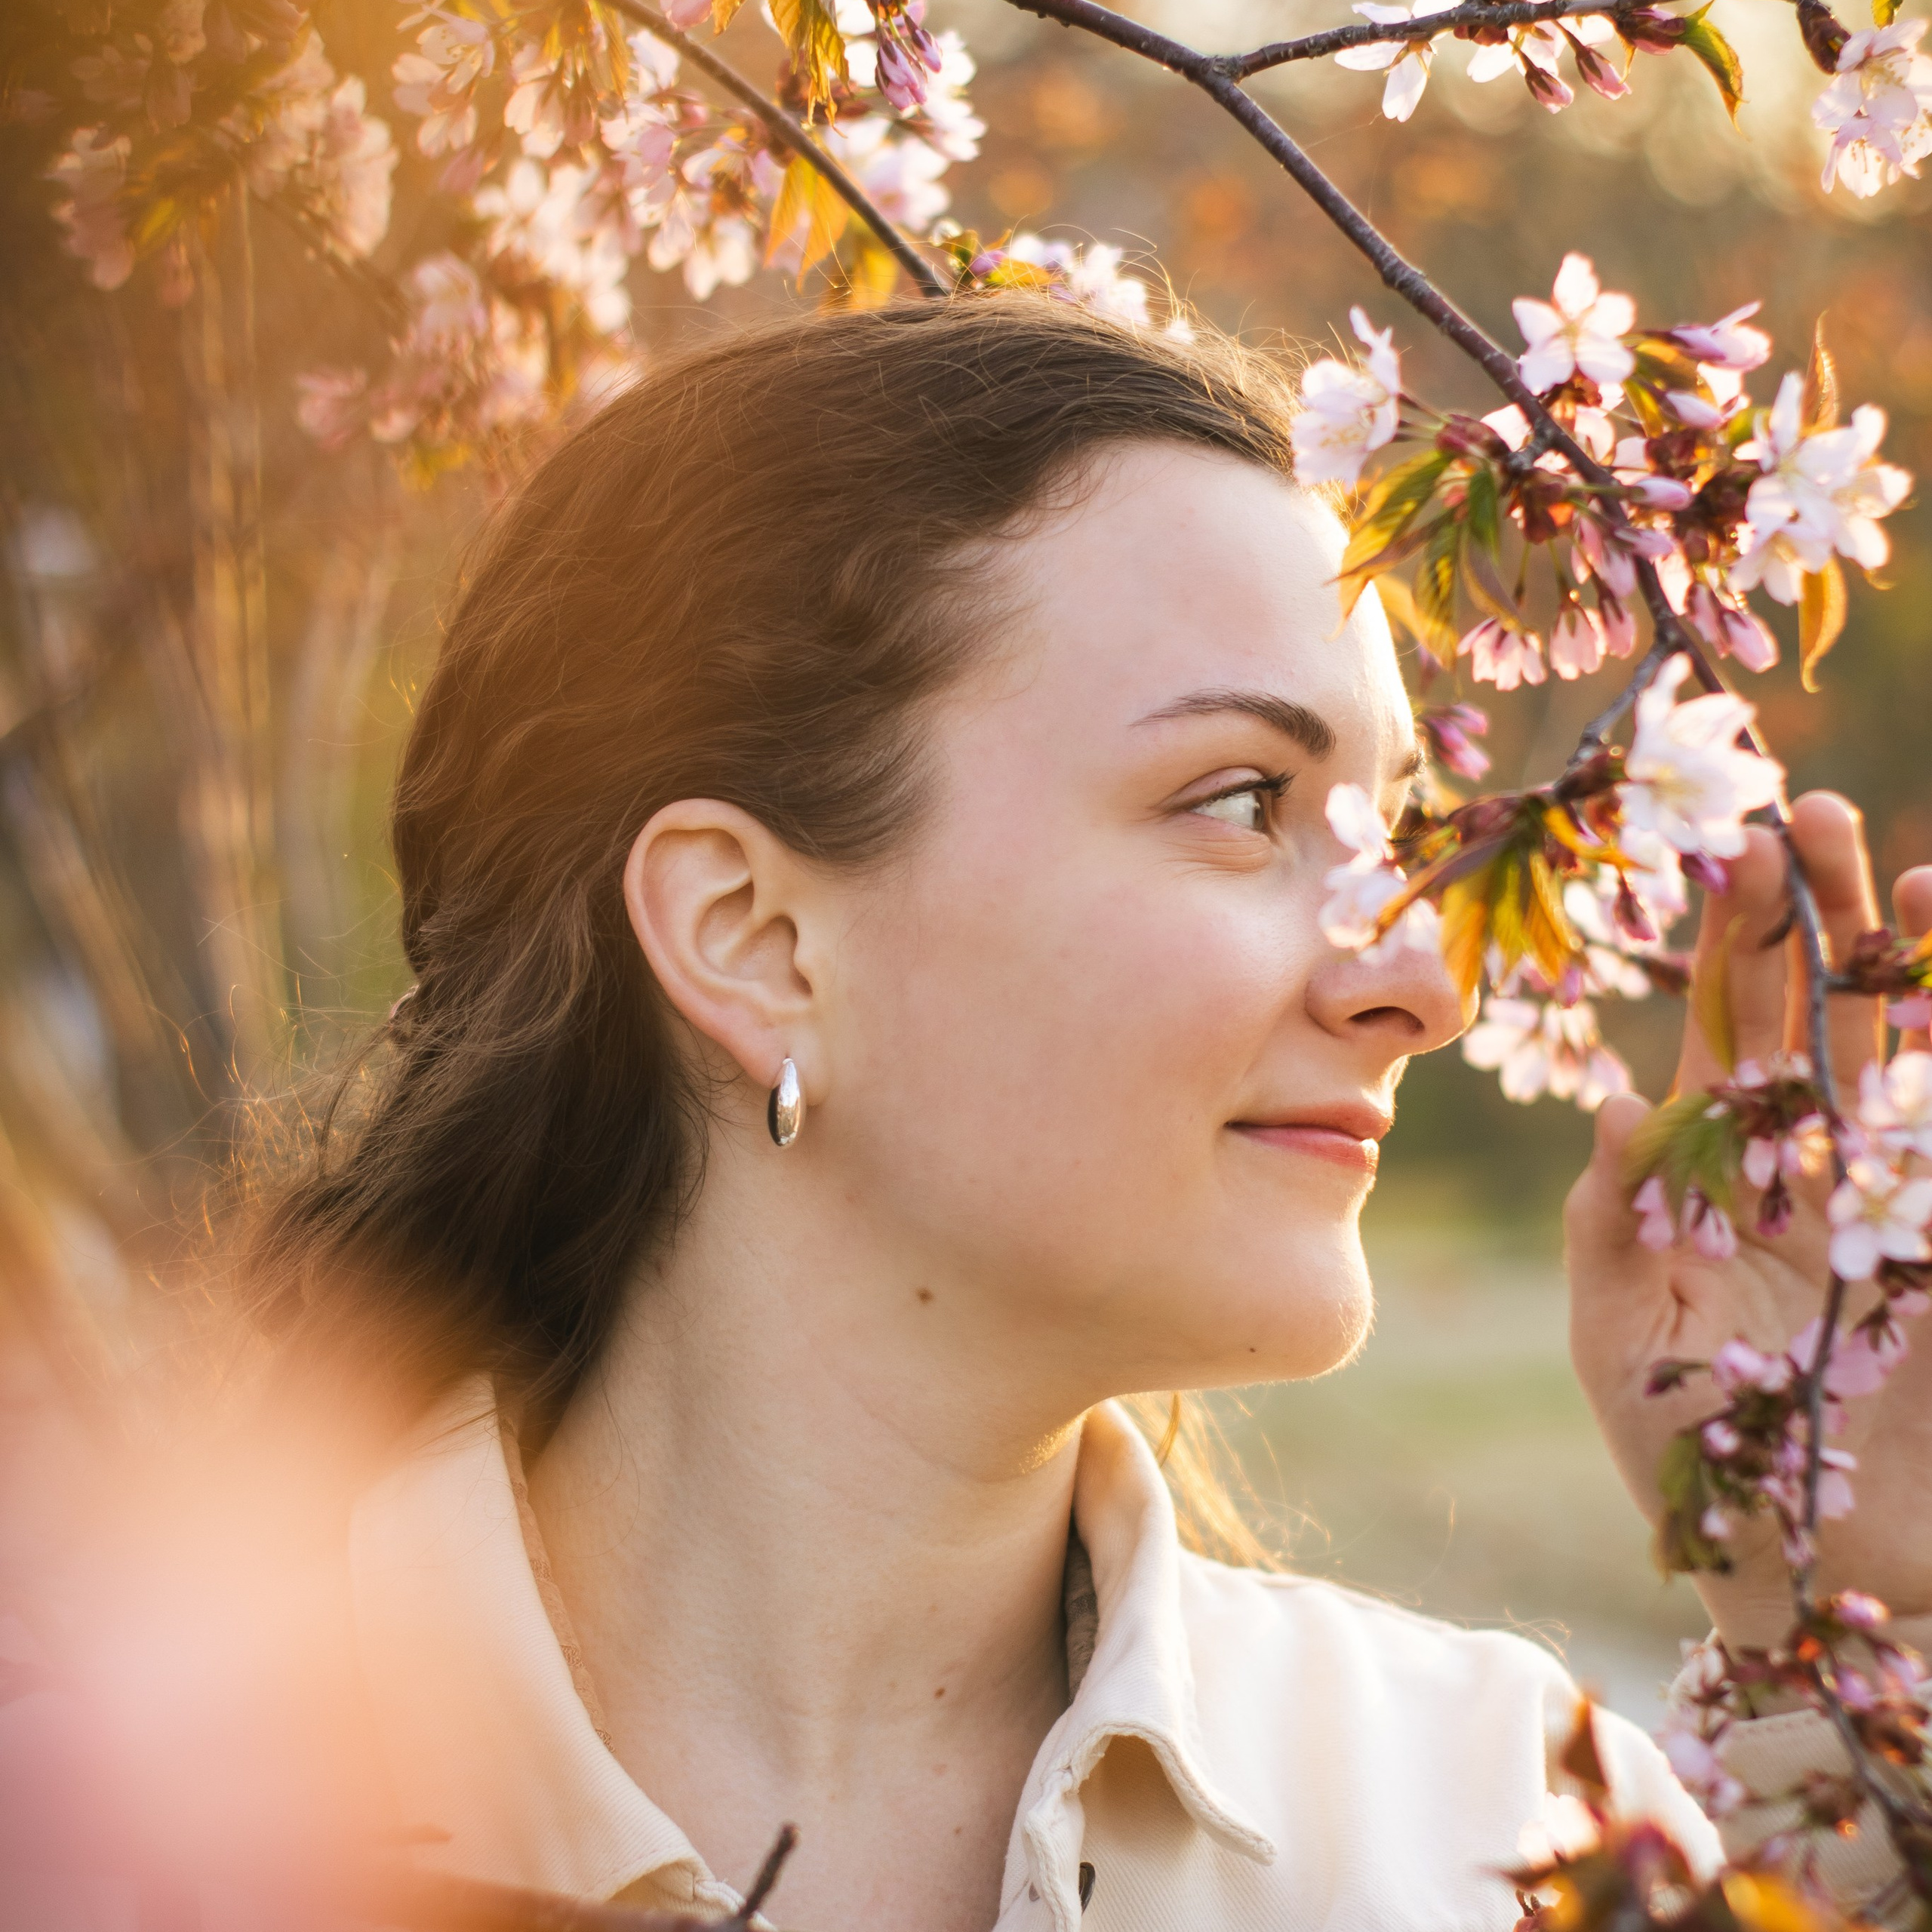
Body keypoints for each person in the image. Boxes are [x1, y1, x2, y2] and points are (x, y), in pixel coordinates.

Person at [254, 295, 1932, 1931]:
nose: (1427, 978)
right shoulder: (133, 1810)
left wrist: (1833, 1618)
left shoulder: (1504, 1823)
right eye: (1239, 801)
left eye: (1399, 835)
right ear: (753, 937)